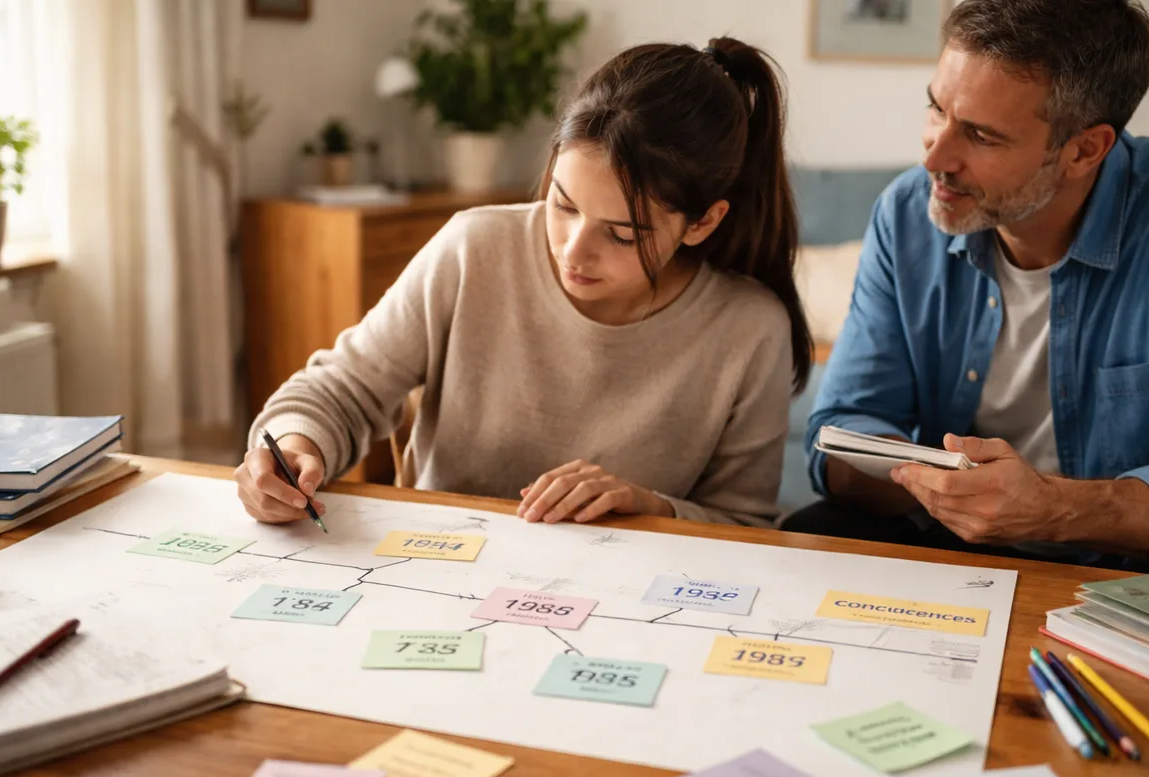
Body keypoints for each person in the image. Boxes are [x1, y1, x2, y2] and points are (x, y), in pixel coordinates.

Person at [236, 37, 812, 529]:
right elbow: (340, 390)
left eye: (621, 233)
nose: (572, 250)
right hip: (441, 564)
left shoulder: (750, 328)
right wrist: (292, 448)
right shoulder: (474, 247)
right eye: (562, 204)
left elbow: (744, 525)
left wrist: (648, 505)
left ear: (703, 222)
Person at [792, 0, 1149, 569]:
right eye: (936, 108)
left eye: (980, 136)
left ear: (1083, 149)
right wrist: (932, 479)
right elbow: (843, 425)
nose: (935, 157)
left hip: (1124, 565)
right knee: (808, 536)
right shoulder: (904, 215)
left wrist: (1053, 508)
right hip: (949, 537)